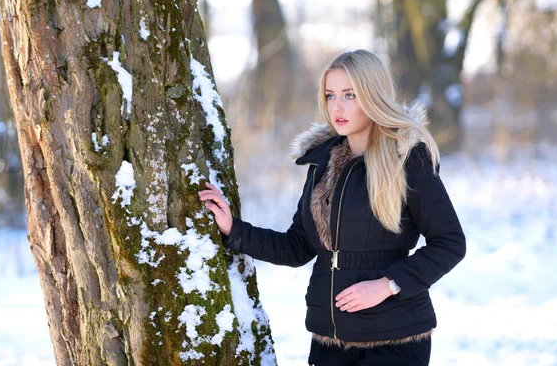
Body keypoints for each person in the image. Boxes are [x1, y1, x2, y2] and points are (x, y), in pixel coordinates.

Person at [198, 49, 466, 366]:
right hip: (329, 343)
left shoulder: (406, 158)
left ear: (373, 96)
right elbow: (298, 247)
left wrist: (387, 285)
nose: (336, 107)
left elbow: (450, 242)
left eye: (349, 95)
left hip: (395, 341)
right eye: (330, 95)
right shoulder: (322, 163)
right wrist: (234, 229)